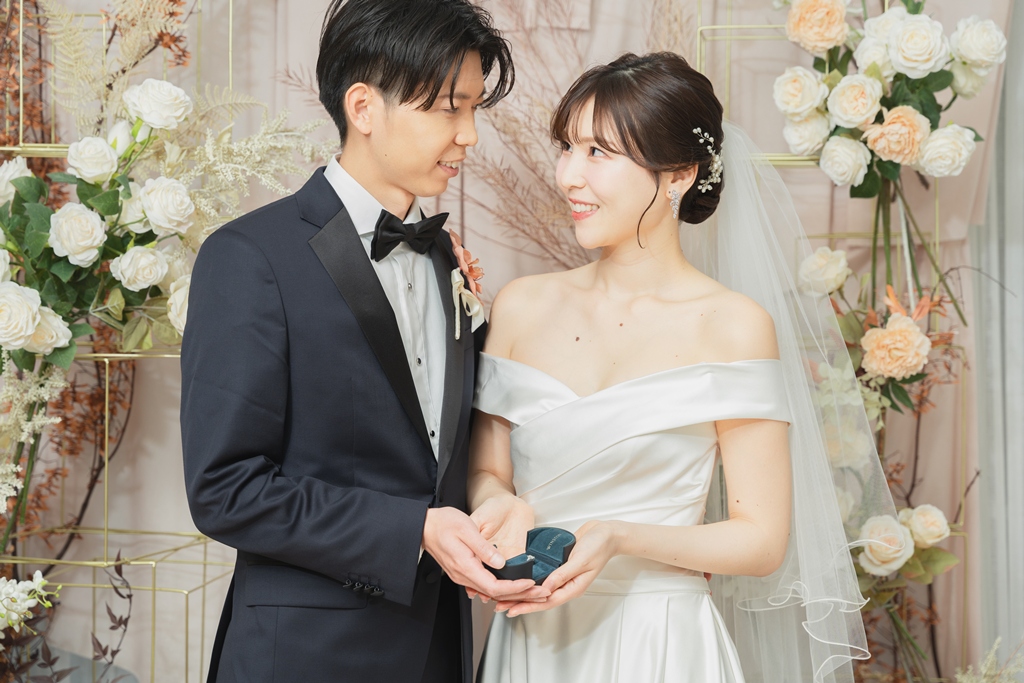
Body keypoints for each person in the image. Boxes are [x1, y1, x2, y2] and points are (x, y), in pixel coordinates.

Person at [468, 52, 898, 683]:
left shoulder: (734, 325)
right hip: (532, 636)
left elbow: (760, 540)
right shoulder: (521, 306)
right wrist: (497, 504)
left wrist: (621, 537)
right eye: (567, 147)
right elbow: (487, 470)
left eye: (598, 152)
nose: (568, 176)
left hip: (661, 642)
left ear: (679, 174)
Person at [179, 2, 538, 681]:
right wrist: (413, 529)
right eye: (449, 109)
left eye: (474, 110)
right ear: (364, 107)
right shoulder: (250, 257)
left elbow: (439, 451)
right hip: (305, 657)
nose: (469, 136)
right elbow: (225, 489)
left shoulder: (447, 260)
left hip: (437, 650)